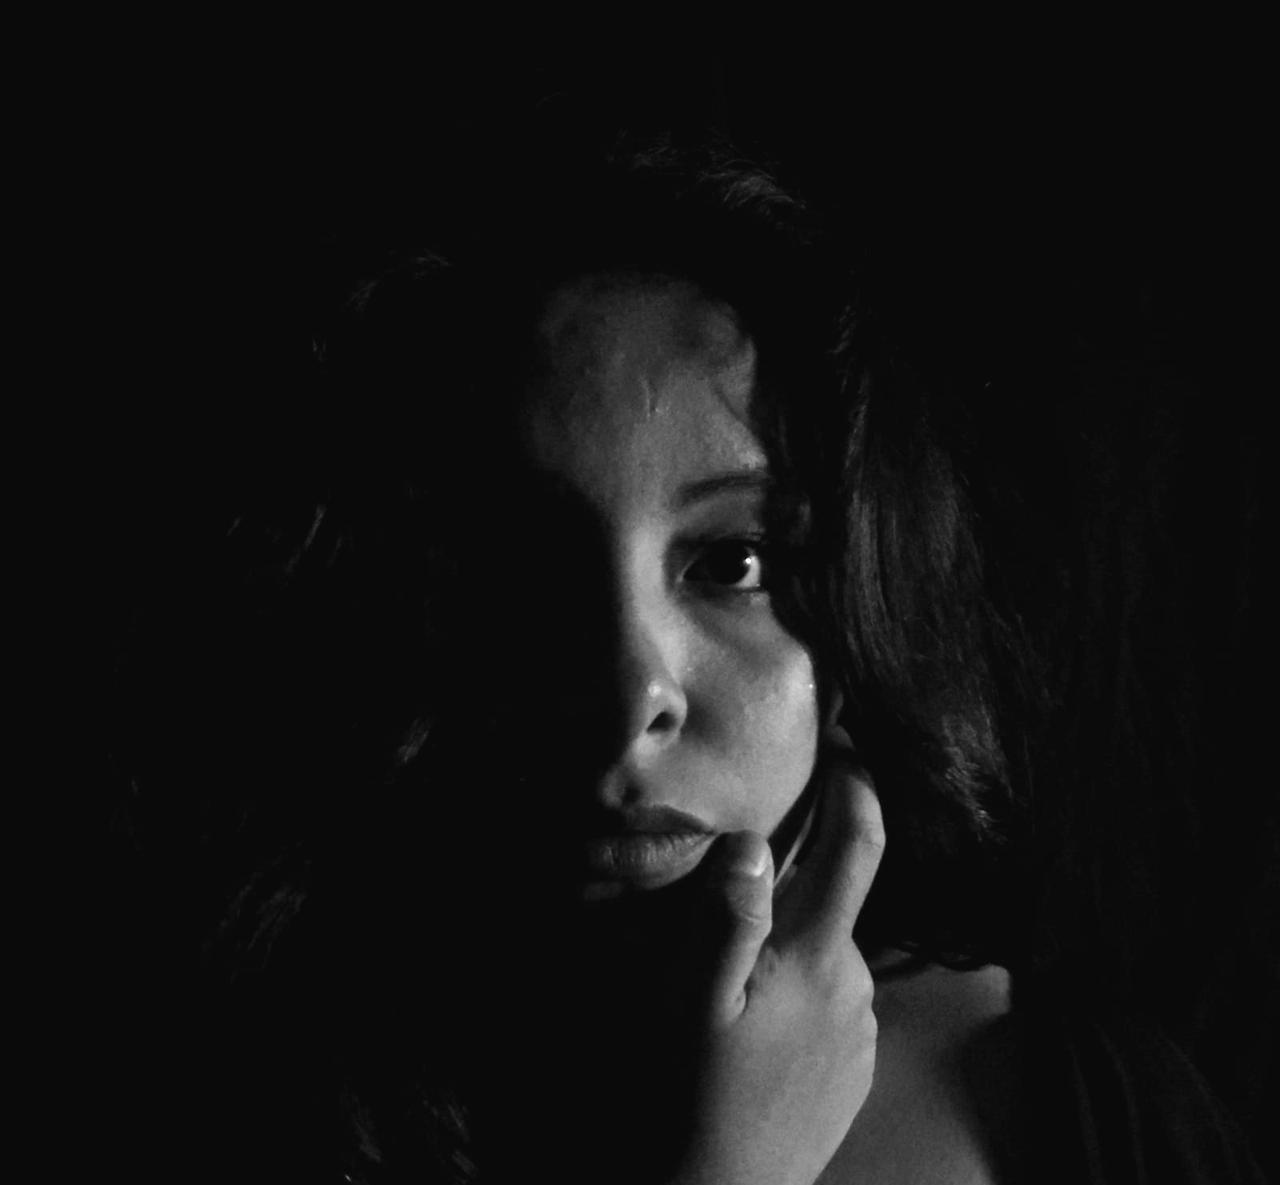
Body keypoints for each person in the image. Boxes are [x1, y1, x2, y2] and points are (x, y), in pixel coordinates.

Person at [110, 131, 1267, 1183]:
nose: (633, 695)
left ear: (858, 610)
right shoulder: (223, 1098)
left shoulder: (1066, 1108)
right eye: (524, 573)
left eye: (733, 562)